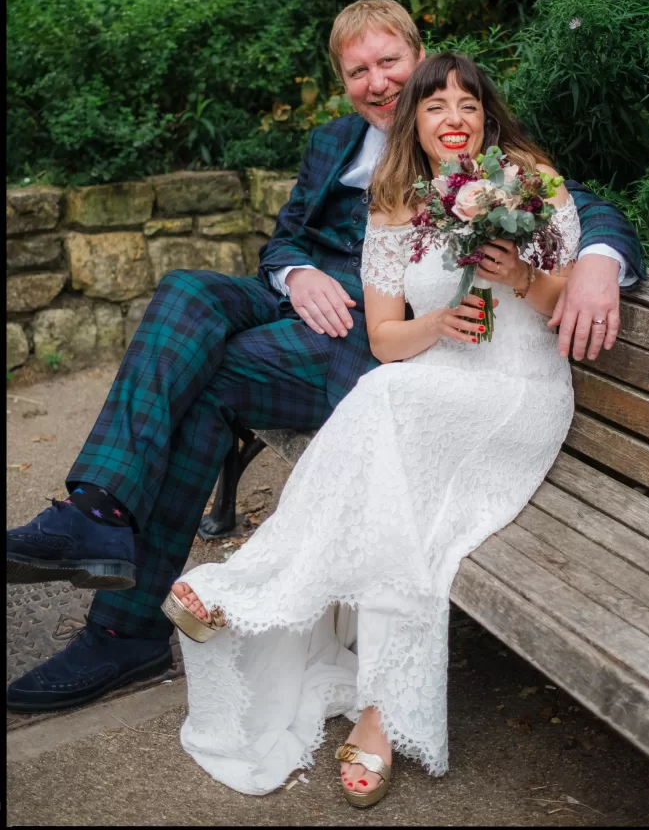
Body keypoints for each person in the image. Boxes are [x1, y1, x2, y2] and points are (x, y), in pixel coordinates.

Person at [6, 0, 644, 715]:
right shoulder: (332, 143)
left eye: (389, 64)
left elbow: (575, 200)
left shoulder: (468, 142)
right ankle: (97, 511)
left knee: (204, 382)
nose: (376, 83)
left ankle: (123, 629)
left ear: (419, 57)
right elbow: (283, 239)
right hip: (300, 311)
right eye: (357, 71)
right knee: (186, 293)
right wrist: (296, 274)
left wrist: (598, 259)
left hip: (377, 351)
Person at [161, 51, 590, 806]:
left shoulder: (531, 181)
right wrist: (441, 321)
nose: (453, 120)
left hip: (517, 396)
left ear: (487, 115)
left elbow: (564, 309)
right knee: (399, 486)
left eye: (467, 106)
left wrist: (518, 274)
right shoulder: (395, 204)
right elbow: (388, 339)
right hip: (435, 383)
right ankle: (379, 715)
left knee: (384, 402)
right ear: (413, 124)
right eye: (435, 108)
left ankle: (249, 583)